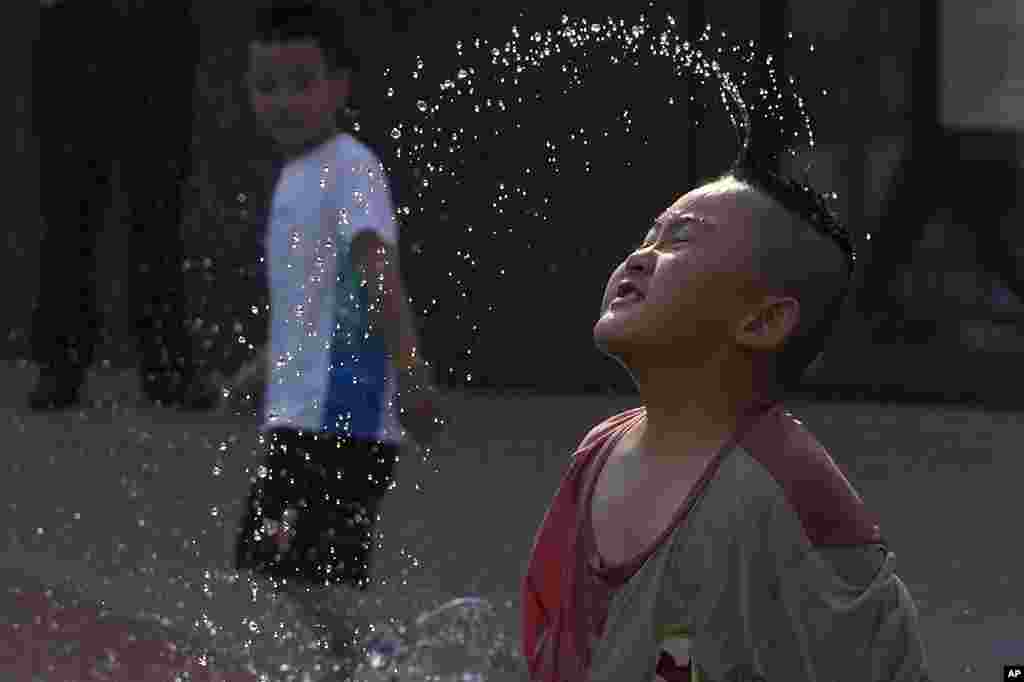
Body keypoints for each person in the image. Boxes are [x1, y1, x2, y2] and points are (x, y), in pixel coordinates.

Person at [521, 157, 930, 681]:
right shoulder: (596, 454)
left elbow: (877, 662)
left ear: (761, 321)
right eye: (649, 235)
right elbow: (557, 639)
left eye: (681, 240)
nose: (642, 256)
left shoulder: (790, 490)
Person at [224, 1, 447, 674]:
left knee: (286, 556)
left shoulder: (351, 168)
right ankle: (360, 661)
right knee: (289, 558)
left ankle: (373, 660)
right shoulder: (296, 176)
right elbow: (311, 309)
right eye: (267, 85)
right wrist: (261, 368)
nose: (282, 101)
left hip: (341, 416)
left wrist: (410, 374)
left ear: (340, 85)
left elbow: (379, 275)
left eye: (301, 81)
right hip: (302, 411)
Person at [30, 0, 218, 411]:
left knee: (157, 207)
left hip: (153, 23)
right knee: (69, 206)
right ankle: (64, 362)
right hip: (76, 24)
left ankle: (159, 362)